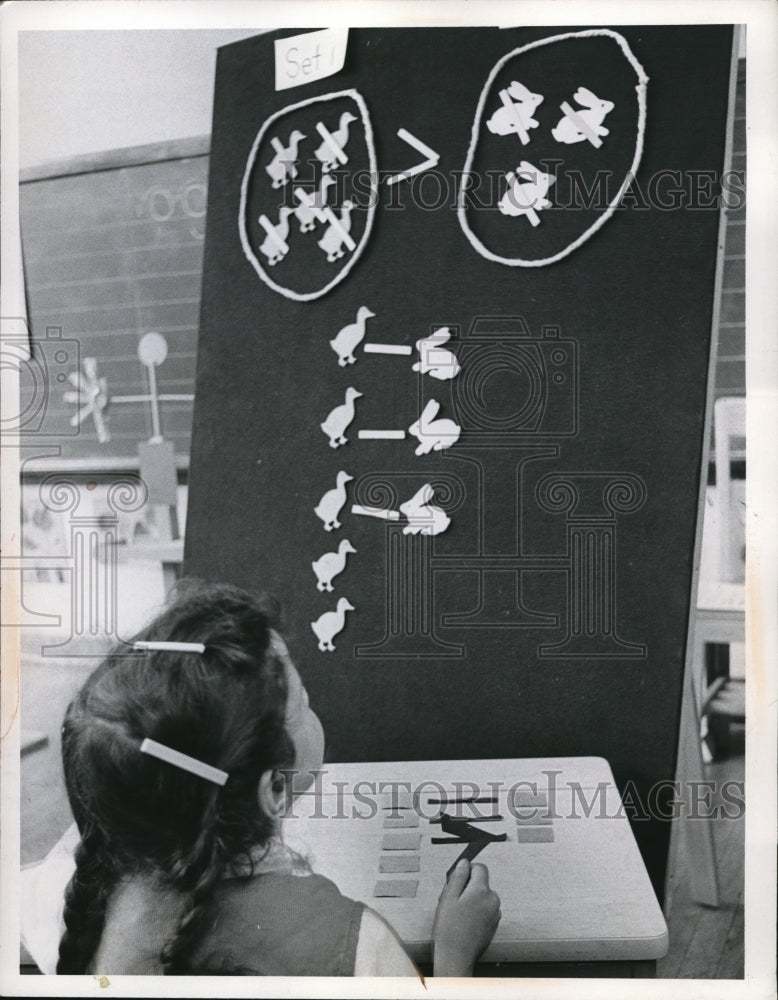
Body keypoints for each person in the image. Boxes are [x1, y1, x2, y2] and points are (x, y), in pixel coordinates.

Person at [56, 580, 500, 976]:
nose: (311, 706)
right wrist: (453, 958)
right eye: (302, 703)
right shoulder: (352, 946)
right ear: (273, 789)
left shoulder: (78, 898)